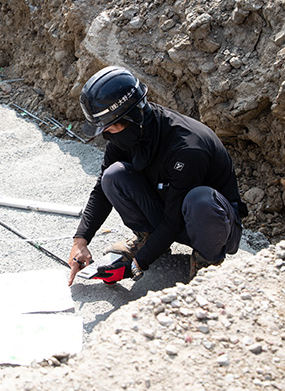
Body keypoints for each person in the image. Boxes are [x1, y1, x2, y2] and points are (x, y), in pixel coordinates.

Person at [68, 66, 247, 286]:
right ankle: (148, 239)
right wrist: (81, 239)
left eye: (109, 128)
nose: (106, 136)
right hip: (170, 213)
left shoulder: (187, 147)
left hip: (214, 225)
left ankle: (206, 264)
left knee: (200, 200)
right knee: (113, 176)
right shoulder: (128, 136)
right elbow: (101, 191)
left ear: (131, 118)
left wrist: (135, 266)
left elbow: (173, 221)